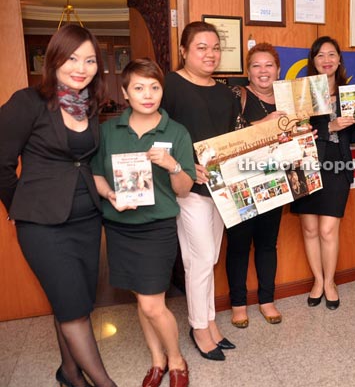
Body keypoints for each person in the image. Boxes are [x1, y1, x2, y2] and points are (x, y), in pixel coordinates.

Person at [0, 25, 116, 387]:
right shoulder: (28, 102)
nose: (80, 67)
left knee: (73, 302)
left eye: (89, 60)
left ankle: (69, 373)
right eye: (71, 58)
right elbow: (1, 163)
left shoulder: (89, 105)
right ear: (53, 60)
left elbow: (82, 161)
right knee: (75, 310)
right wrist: (19, 206)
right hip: (43, 225)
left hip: (85, 220)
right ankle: (104, 383)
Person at [92, 59, 193, 387]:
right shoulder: (108, 130)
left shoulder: (176, 132)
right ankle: (156, 360)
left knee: (152, 302)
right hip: (120, 226)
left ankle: (176, 361)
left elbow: (185, 188)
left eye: (154, 87)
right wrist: (110, 195)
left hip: (157, 226)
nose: (147, 94)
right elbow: (95, 173)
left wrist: (173, 165)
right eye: (138, 87)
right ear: (125, 92)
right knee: (144, 301)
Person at [161, 21, 238, 361]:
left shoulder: (225, 92)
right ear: (184, 51)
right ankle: (198, 327)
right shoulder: (170, 85)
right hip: (187, 188)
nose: (210, 54)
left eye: (215, 48)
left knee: (210, 259)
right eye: (201, 47)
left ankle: (209, 321)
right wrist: (186, 168)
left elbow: (232, 137)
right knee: (200, 259)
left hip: (220, 188)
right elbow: (157, 135)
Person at [289, 36, 355, 310]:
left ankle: (330, 282)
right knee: (310, 228)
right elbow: (294, 132)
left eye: (331, 54)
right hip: (306, 164)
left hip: (337, 165)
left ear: (339, 60)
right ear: (313, 61)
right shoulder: (302, 93)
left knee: (328, 229)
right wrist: (330, 127)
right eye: (320, 55)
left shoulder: (352, 92)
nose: (326, 60)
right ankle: (317, 280)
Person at [225, 43, 288, 328]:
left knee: (267, 244)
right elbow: (227, 136)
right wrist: (265, 123)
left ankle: (267, 300)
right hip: (240, 180)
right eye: (256, 66)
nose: (263, 71)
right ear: (248, 71)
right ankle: (238, 304)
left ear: (278, 69)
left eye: (269, 65)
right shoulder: (237, 95)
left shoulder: (287, 98)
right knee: (238, 245)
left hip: (274, 178)